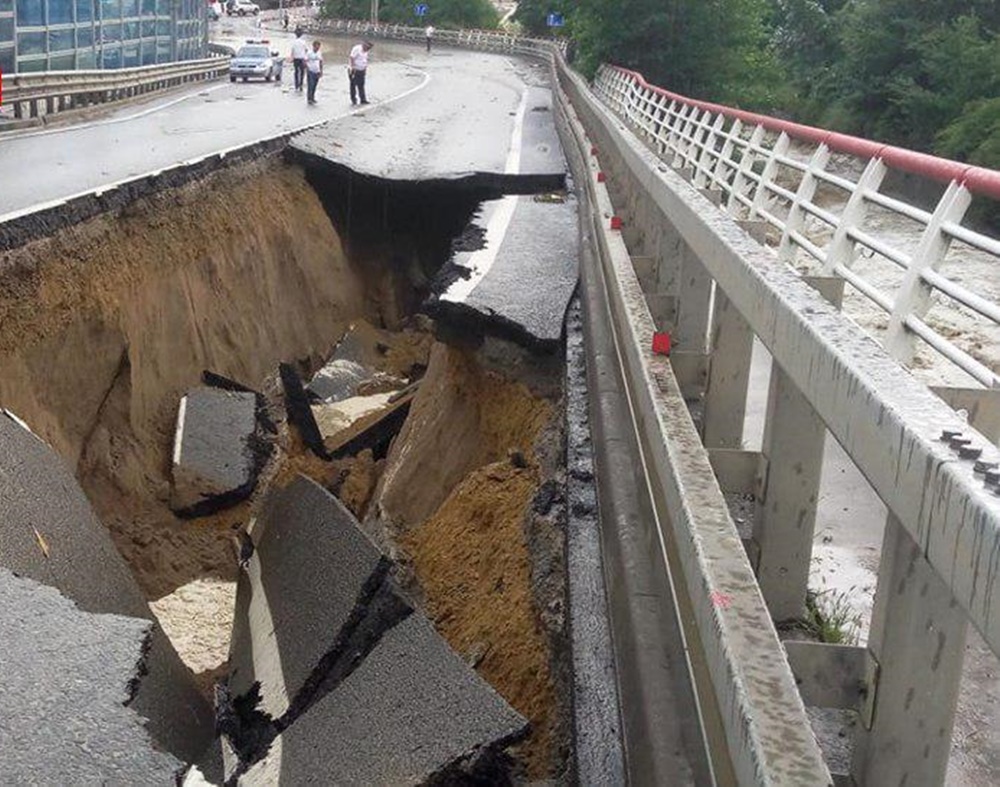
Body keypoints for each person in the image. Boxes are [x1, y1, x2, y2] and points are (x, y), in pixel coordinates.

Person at [348, 40, 373, 106]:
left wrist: (365, 69)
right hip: (355, 70)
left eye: (369, 48)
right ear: (364, 45)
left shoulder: (366, 51)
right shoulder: (357, 49)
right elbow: (352, 58)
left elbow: (365, 60)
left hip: (361, 70)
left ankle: (363, 99)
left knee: (361, 85)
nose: (367, 49)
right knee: (353, 85)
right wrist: (353, 67)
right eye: (367, 48)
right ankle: (354, 100)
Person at [305, 40, 323, 105]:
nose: (318, 48)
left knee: (315, 85)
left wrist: (321, 71)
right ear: (313, 46)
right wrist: (307, 68)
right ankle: (309, 98)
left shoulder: (319, 53)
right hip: (311, 71)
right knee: (311, 85)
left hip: (317, 71)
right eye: (316, 46)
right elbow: (305, 61)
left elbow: (321, 62)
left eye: (319, 46)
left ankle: (312, 97)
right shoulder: (309, 53)